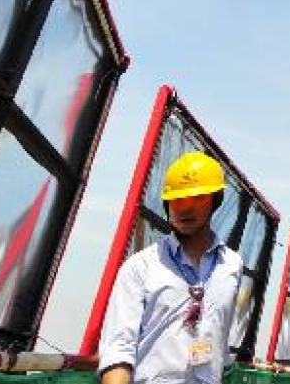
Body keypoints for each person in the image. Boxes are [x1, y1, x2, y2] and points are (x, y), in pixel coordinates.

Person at [98, 152, 243, 384]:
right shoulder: (139, 268)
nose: (185, 209)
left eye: (198, 199)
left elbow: (221, 340)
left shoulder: (232, 266)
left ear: (216, 200)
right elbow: (118, 350)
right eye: (178, 200)